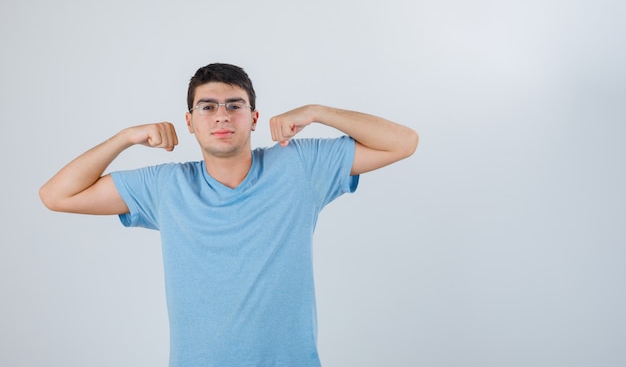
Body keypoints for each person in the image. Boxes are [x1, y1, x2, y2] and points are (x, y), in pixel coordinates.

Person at [39, 63, 419, 367]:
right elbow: (56, 195)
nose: (222, 116)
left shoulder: (299, 165)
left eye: (234, 105)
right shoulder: (166, 185)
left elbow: (404, 143)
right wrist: (125, 137)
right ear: (189, 122)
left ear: (254, 118)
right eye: (207, 106)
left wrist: (317, 112)